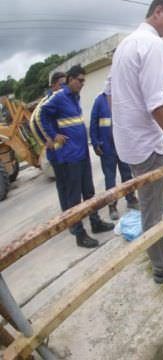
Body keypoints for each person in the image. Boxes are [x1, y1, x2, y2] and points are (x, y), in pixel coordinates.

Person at [107, 0, 163, 284]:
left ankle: (159, 248)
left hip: (130, 142)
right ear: (157, 12)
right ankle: (162, 268)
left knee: (152, 204)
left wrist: (125, 123)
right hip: (146, 143)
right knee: (152, 208)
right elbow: (158, 103)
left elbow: (109, 92)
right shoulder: (152, 44)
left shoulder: (126, 44)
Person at [40, 65, 114, 248]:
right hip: (70, 156)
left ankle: (95, 222)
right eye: (80, 80)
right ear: (70, 79)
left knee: (89, 192)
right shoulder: (59, 97)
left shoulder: (75, 96)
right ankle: (80, 234)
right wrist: (53, 135)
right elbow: (43, 114)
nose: (82, 84)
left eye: (84, 81)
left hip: (82, 153)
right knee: (74, 198)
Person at [89, 91, 139, 220]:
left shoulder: (120, 98)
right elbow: (93, 123)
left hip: (122, 145)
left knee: (127, 174)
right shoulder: (99, 101)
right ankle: (112, 205)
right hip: (107, 148)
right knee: (110, 178)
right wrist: (95, 143)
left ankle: (131, 198)